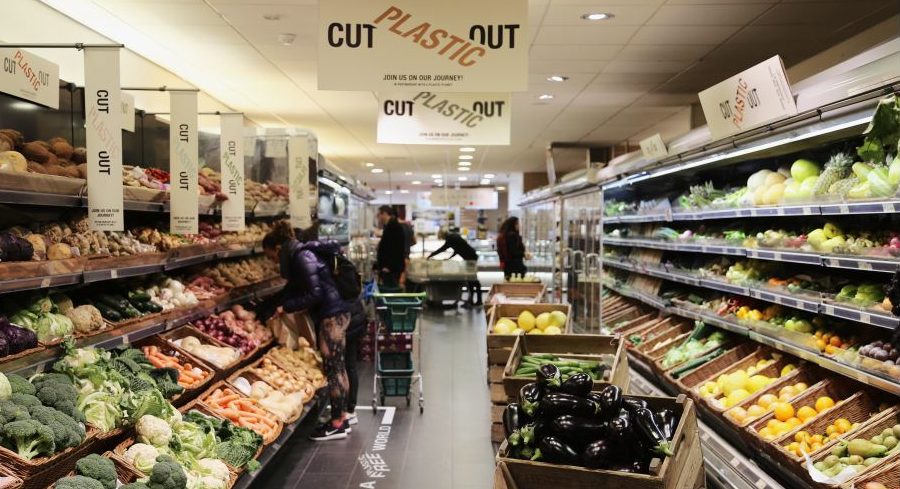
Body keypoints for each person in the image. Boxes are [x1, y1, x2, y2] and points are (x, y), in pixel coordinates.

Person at [262, 221, 352, 441]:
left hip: (332, 315)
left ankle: (338, 422)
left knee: (334, 368)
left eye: (271, 256)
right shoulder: (300, 255)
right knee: (337, 366)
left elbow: (315, 293)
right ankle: (343, 417)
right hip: (335, 312)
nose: (273, 261)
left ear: (277, 248)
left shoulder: (302, 257)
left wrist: (286, 307)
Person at [428, 228, 482, 306]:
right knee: (471, 280)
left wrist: (431, 255)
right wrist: (449, 258)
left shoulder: (450, 239)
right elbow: (457, 249)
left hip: (470, 259)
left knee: (473, 280)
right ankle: (472, 301)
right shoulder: (454, 236)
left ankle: (477, 301)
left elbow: (443, 249)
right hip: (471, 257)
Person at [345, 295, 368, 418]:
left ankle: (346, 411)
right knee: (350, 366)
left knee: (347, 366)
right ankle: (348, 409)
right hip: (354, 318)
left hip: (348, 321)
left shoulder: (338, 276)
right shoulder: (348, 278)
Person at [375, 205, 407, 289]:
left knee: (390, 290)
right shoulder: (391, 225)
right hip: (391, 268)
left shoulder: (393, 227)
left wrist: (389, 266)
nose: (378, 217)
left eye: (379, 215)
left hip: (391, 269)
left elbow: (395, 249)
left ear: (384, 214)